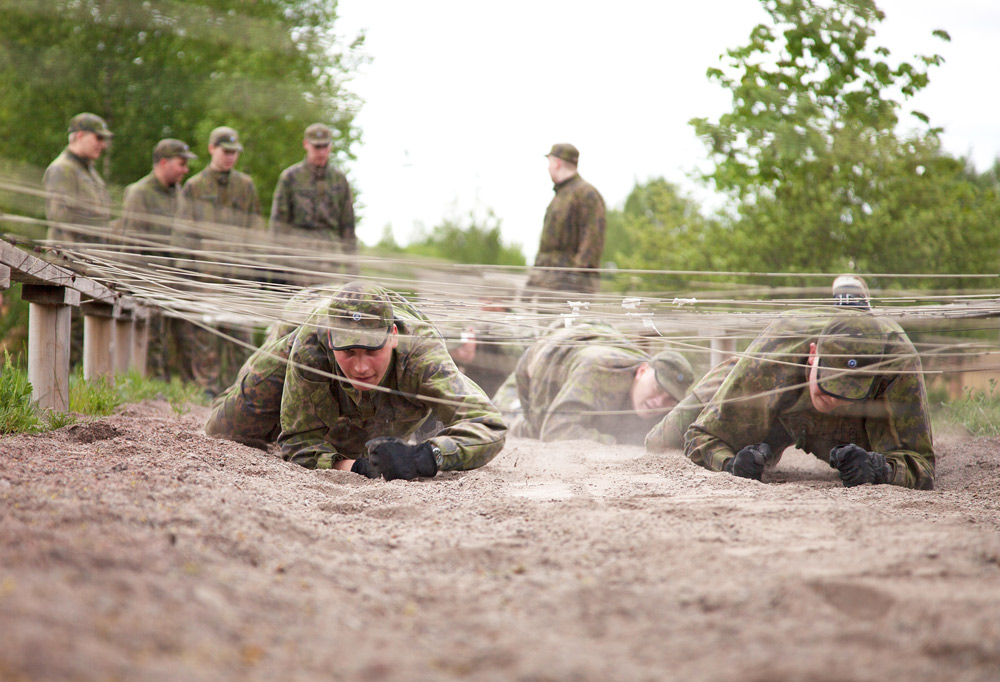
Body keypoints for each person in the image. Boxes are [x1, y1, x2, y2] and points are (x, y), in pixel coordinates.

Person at [216, 281, 505, 480]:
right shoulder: (311, 344)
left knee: (358, 440)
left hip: (401, 366)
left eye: (371, 350)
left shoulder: (421, 352)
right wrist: (357, 468)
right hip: (302, 317)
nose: (361, 367)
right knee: (223, 429)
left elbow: (489, 425)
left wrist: (426, 456)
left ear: (393, 336)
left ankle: (427, 409)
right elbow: (298, 442)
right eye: (349, 352)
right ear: (332, 340)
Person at [646, 308, 935, 490]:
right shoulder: (775, 352)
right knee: (661, 441)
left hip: (842, 431)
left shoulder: (898, 367)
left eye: (848, 392)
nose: (832, 398)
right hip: (773, 403)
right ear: (812, 354)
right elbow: (700, 438)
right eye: (828, 383)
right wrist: (730, 464)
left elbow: (920, 465)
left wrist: (878, 469)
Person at [497, 321, 694, 445]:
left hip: (593, 344)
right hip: (543, 361)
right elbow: (555, 431)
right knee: (531, 427)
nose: (659, 402)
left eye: (670, 399)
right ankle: (509, 411)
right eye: (657, 388)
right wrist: (616, 442)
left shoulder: (666, 407)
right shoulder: (600, 373)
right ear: (642, 371)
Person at [176, 126, 262, 395]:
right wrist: (185, 273)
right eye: (226, 151)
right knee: (206, 335)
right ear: (212, 149)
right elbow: (183, 233)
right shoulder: (194, 186)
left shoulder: (245, 185)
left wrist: (259, 269)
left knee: (241, 336)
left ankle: (242, 390)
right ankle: (206, 391)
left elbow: (255, 230)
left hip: (239, 274)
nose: (230, 157)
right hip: (207, 275)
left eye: (234, 152)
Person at [117, 138, 197, 380]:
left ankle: (190, 388)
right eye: (181, 164)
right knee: (153, 339)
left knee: (188, 338)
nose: (185, 170)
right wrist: (133, 284)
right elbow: (131, 243)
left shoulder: (180, 194)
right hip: (149, 278)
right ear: (164, 162)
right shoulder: (139, 193)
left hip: (178, 278)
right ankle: (153, 386)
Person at [269, 122, 356, 278]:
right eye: (317, 147)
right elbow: (278, 223)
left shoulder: (339, 179)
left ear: (330, 146)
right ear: (306, 145)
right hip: (298, 259)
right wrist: (276, 264)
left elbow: (348, 225)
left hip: (330, 260)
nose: (321, 152)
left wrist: (352, 267)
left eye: (325, 146)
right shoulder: (290, 177)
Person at [526, 143, 606, 295]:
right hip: (548, 287)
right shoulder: (560, 196)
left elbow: (592, 244)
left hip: (570, 292)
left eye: (549, 162)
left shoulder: (586, 194)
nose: (548, 168)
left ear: (557, 163)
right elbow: (547, 249)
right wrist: (532, 284)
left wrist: (573, 282)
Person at [43, 112, 114, 246]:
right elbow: (61, 223)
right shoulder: (62, 169)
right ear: (80, 136)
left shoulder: (89, 171)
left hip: (92, 255)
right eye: (99, 138)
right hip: (70, 257)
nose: (103, 145)